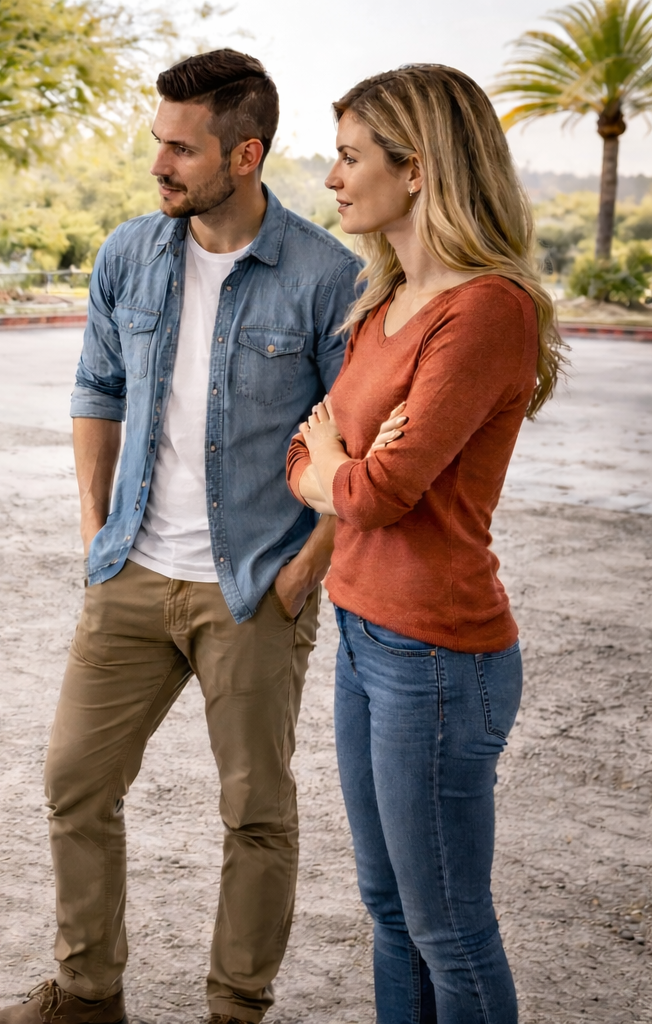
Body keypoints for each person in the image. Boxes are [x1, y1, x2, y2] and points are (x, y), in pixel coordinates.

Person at [0, 51, 360, 1024]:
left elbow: (353, 438)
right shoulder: (130, 253)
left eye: (180, 147)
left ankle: (236, 1005)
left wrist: (305, 568)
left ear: (245, 153)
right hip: (133, 572)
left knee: (256, 810)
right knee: (75, 778)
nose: (161, 162)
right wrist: (93, 525)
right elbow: (97, 392)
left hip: (254, 584)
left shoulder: (326, 276)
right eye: (158, 141)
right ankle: (87, 992)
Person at [287, 66, 564, 1024]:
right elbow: (306, 454)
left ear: (419, 170)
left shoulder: (485, 310)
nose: (332, 177)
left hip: (439, 658)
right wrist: (338, 466)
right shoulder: (383, 305)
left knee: (446, 925)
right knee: (390, 909)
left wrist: (344, 466)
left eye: (351, 155)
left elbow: (379, 490)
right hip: (365, 635)